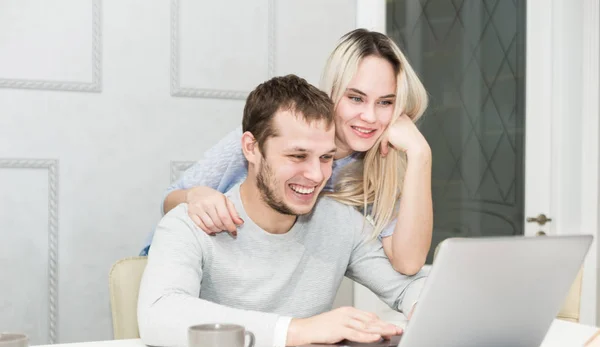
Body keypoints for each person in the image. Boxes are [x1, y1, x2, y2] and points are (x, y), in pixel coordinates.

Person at [137, 75, 427, 347]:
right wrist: (299, 330)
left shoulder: (342, 222)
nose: (316, 175)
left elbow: (409, 289)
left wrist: (423, 308)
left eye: (326, 157)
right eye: (297, 156)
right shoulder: (190, 222)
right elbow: (159, 314)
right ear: (251, 148)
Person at [141, 29, 433, 276]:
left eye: (385, 102)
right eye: (356, 98)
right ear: (332, 91)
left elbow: (407, 262)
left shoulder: (380, 163)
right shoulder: (275, 133)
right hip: (187, 268)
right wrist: (196, 195)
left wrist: (420, 155)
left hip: (261, 277)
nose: (369, 116)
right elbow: (171, 202)